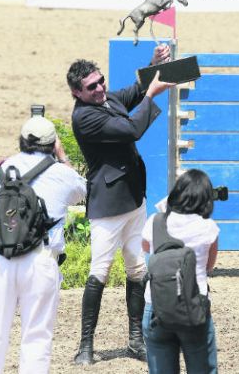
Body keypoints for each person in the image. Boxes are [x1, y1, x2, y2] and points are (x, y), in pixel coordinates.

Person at [66, 43, 174, 364]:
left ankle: (135, 340)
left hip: (132, 198)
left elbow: (134, 89)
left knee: (137, 269)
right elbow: (131, 129)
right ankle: (86, 345)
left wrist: (153, 64)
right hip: (107, 206)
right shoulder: (84, 117)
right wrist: (152, 95)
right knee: (98, 272)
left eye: (100, 81)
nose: (100, 88)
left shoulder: (107, 98)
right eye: (91, 86)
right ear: (77, 92)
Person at [0, 116, 87, 374]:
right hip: (40, 260)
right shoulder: (61, 173)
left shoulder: (1, 170)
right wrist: (62, 157)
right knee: (36, 337)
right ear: (52, 144)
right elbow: (83, 192)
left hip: (1, 260)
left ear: (22, 141)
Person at [141, 169, 220, 374]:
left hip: (156, 306)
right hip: (194, 306)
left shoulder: (156, 221)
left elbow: (146, 247)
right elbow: (209, 266)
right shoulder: (208, 227)